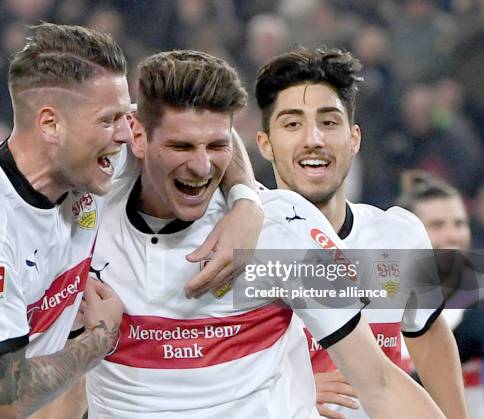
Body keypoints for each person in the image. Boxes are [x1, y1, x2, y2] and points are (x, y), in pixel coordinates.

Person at [0, 23, 263, 418]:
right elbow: (7, 400)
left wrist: (247, 205)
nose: (126, 135)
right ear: (50, 125)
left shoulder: (89, 156)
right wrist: (100, 338)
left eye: (125, 116)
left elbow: (204, 133)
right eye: (110, 120)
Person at [44, 49, 445, 418]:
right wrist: (91, 341)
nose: (201, 167)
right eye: (181, 146)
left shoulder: (282, 231)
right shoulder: (82, 211)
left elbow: (380, 381)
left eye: (216, 145)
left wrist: (246, 201)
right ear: (138, 138)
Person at [254, 46, 468, 419]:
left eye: (329, 122)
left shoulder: (398, 236)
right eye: (292, 124)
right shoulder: (241, 244)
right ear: (265, 144)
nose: (313, 139)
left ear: (354, 139)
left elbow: (429, 337)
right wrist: (290, 389)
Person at [397, 170, 483, 418]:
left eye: (459, 223)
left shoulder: (479, 301)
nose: (452, 235)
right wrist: (456, 347)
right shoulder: (381, 307)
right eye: (437, 225)